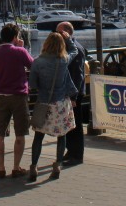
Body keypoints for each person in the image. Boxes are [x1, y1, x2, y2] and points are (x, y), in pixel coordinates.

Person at [27, 31, 77, 182]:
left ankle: (33, 166)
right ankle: (57, 164)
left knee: (38, 136)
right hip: (61, 103)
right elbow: (74, 51)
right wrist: (68, 39)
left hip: (43, 102)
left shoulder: (37, 62)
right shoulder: (63, 60)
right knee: (62, 135)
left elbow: (33, 84)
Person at [0, 23, 33, 179]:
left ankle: (1, 168)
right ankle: (16, 167)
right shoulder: (19, 51)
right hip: (18, 96)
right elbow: (32, 66)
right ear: (15, 37)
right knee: (20, 134)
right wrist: (23, 48)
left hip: (1, 96)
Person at [57, 21, 87, 165]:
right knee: (69, 124)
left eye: (59, 32)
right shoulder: (68, 48)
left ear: (67, 33)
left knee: (76, 124)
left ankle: (77, 154)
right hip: (68, 91)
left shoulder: (77, 50)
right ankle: (70, 151)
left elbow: (78, 75)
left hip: (74, 93)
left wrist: (74, 96)